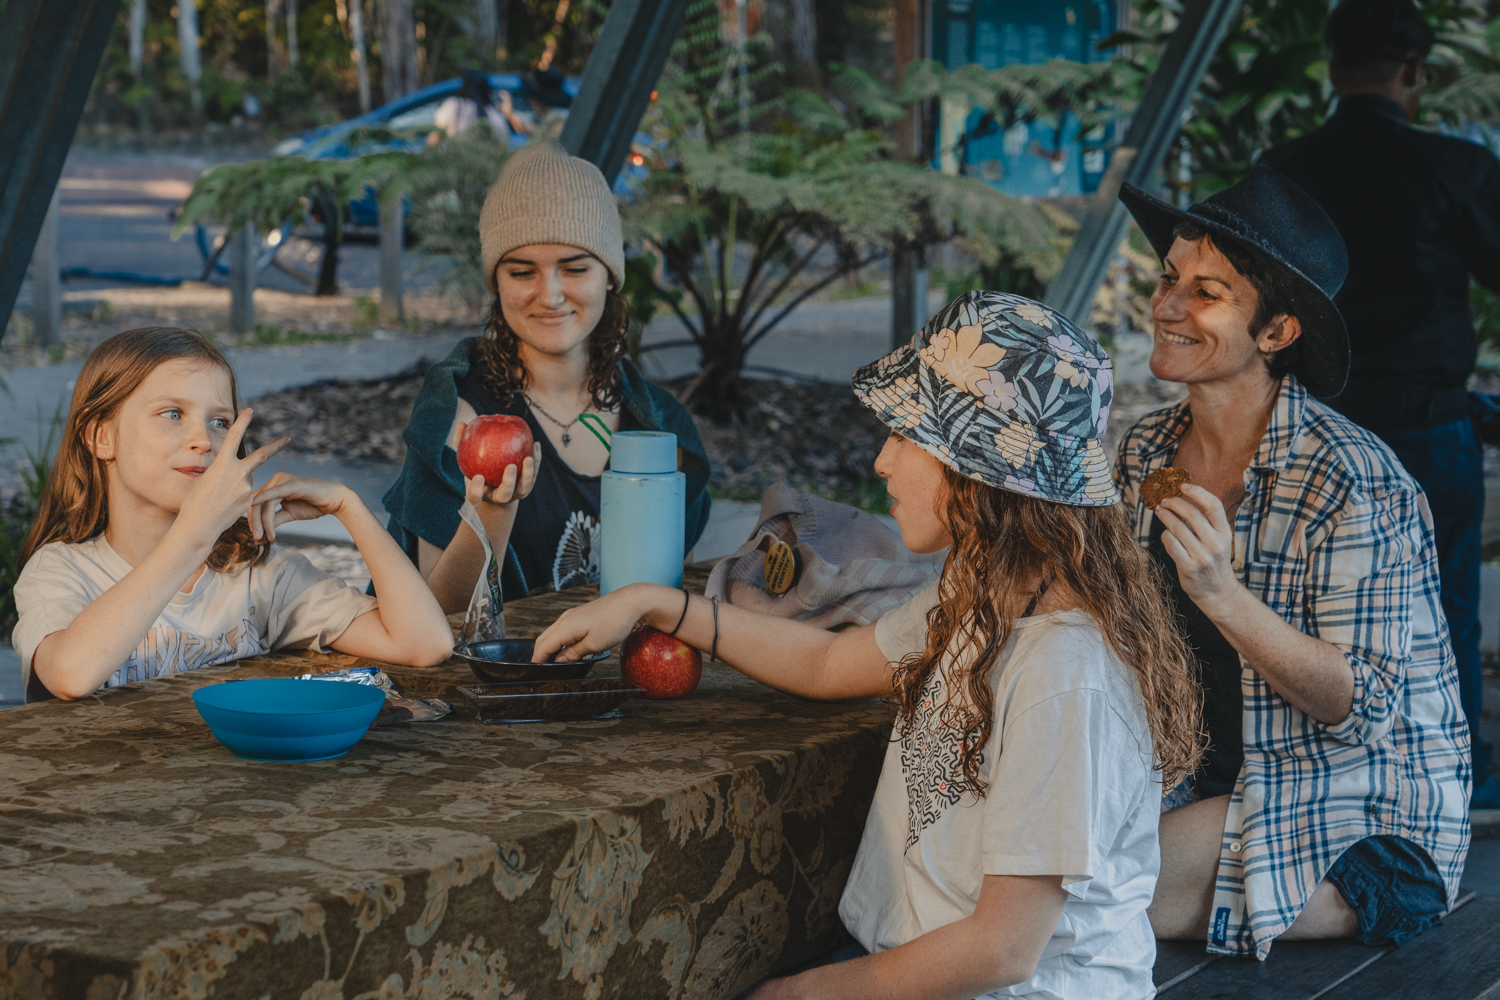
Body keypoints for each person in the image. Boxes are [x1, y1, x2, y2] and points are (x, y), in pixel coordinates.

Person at [533, 292, 1205, 1000]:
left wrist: (800, 994)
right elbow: (827, 663)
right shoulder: (980, 595)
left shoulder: (1066, 676)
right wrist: (657, 605)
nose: (882, 461)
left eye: (908, 438)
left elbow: (1004, 949)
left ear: (980, 472)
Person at [1115, 166, 1471, 959]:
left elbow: (1360, 706)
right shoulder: (1143, 450)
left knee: (1090, 893)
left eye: (1206, 292)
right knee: (1020, 860)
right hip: (1200, 784)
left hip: (1357, 810)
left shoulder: (1353, 480)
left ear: (1277, 334)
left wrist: (1221, 592)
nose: (1168, 307)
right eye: (1170, 278)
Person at [1259, 0, 1500, 810]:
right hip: (1427, 427)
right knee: (1446, 606)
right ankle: (1452, 783)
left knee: (1304, 607)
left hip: (1308, 428)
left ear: (1331, 68)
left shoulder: (1283, 167)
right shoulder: (1453, 168)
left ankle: (1332, 779)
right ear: (1414, 73)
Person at [11, 327, 454, 703]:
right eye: (172, 413)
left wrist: (348, 506)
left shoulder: (258, 577)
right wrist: (194, 535)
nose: (203, 439)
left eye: (220, 422)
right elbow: (70, 675)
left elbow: (424, 643)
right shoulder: (60, 572)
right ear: (100, 437)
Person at [381, 141, 710, 610]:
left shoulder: (661, 425)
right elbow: (436, 615)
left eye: (575, 268)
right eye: (521, 272)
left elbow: (678, 604)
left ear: (609, 276)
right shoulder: (459, 414)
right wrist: (491, 512)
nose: (549, 294)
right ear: (496, 281)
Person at [428, 69, 530, 146]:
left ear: (464, 86)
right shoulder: (495, 116)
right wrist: (509, 114)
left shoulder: (453, 105)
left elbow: (435, 137)